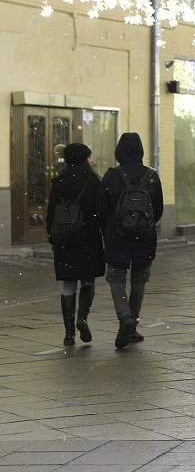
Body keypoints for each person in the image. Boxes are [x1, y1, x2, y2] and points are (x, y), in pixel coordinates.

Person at [97, 133, 164, 349]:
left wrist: (110, 228)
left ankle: (125, 317)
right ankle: (132, 324)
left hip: (117, 236)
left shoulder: (111, 176)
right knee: (140, 277)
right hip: (144, 237)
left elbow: (101, 210)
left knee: (116, 277)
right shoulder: (152, 176)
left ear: (119, 151)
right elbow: (159, 210)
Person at [46, 143, 104, 346]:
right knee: (87, 281)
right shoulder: (93, 182)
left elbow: (51, 213)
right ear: (83, 159)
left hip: (64, 239)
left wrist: (53, 237)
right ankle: (82, 318)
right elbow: (100, 212)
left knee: (68, 284)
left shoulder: (58, 182)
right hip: (87, 239)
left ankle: (69, 332)